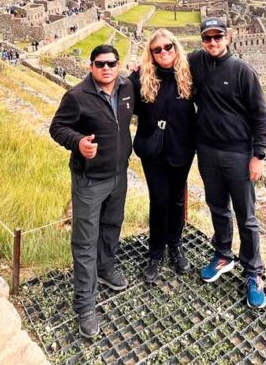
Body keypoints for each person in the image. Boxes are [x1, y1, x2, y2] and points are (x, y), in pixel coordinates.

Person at [49, 44, 134, 340]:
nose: (106, 68)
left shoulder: (126, 89)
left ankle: (106, 266)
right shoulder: (76, 96)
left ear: (118, 65)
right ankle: (85, 304)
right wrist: (78, 143)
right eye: (100, 64)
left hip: (118, 175)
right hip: (89, 181)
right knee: (85, 242)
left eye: (111, 63)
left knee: (112, 225)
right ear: (91, 67)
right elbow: (57, 128)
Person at [189, 16, 266, 309]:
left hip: (238, 153)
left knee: (246, 216)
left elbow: (260, 115)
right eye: (207, 38)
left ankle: (254, 272)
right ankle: (223, 254)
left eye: (217, 37)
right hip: (207, 151)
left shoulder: (242, 71)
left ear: (228, 37)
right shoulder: (196, 61)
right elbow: (167, 62)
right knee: (217, 207)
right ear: (202, 41)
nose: (212, 42)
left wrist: (258, 156)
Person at [130, 29, 196, 283]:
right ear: (151, 54)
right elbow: (121, 98)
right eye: (157, 50)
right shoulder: (141, 78)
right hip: (154, 152)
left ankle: (175, 246)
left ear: (176, 47)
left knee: (177, 200)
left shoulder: (189, 75)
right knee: (158, 202)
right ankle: (155, 253)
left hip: (181, 149)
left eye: (168, 47)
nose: (164, 52)